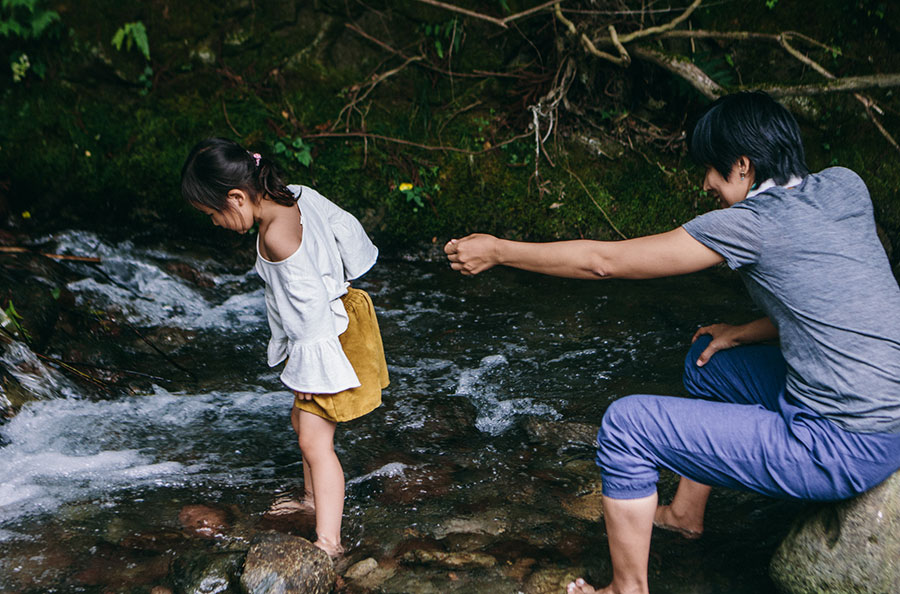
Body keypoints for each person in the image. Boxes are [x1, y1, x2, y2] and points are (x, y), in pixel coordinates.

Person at [444, 91, 900, 594]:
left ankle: (626, 588)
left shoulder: (749, 225)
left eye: (711, 168)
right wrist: (744, 331)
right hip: (887, 416)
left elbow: (604, 262)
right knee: (707, 361)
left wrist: (500, 251)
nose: (706, 182)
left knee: (626, 426)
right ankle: (685, 513)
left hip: (841, 444)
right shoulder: (845, 186)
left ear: (743, 165)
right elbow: (846, 293)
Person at [181, 137, 390, 557]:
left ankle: (329, 541)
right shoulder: (296, 195)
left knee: (316, 442)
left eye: (212, 214)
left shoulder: (275, 239)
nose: (214, 224)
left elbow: (309, 309)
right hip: (347, 314)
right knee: (303, 424)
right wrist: (344, 269)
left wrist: (307, 374)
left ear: (236, 198)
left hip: (327, 337)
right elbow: (344, 225)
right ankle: (313, 501)